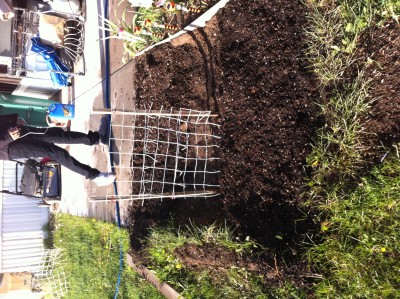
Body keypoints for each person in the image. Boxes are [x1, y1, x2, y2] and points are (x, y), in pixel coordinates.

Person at [0, 114, 115, 186]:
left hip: (12, 129)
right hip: (10, 146)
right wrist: (7, 136)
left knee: (57, 135)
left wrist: (12, 121)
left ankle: (97, 138)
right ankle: (95, 176)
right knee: (55, 152)